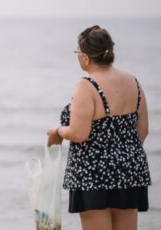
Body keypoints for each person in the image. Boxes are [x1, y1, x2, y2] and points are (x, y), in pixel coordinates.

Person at [47, 25, 151, 230]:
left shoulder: (87, 85)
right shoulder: (133, 81)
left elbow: (78, 133)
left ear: (85, 57)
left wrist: (57, 131)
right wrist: (121, 155)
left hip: (93, 174)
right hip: (131, 170)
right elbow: (143, 130)